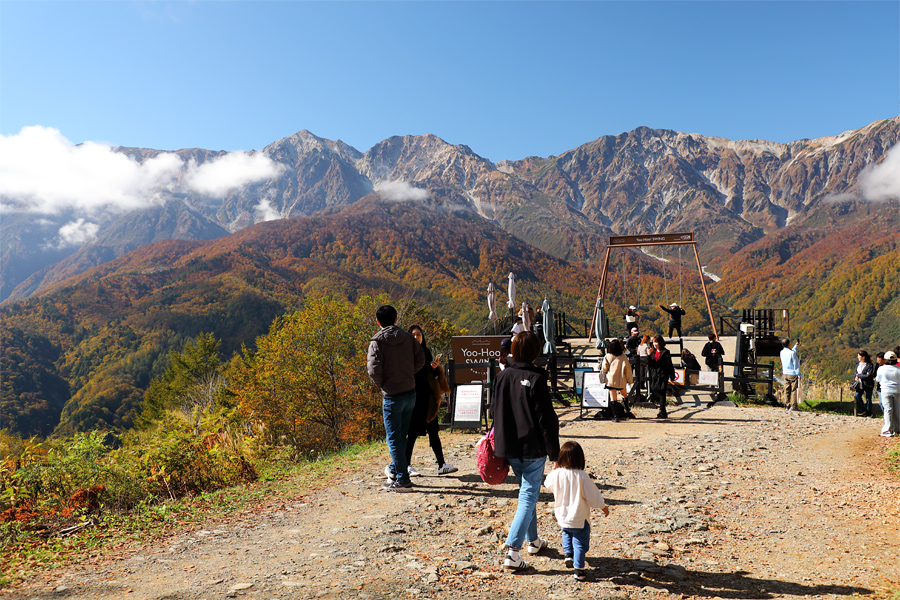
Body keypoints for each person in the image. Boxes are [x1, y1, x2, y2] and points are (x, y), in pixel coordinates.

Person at [491, 331, 560, 571]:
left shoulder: (502, 376)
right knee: (528, 496)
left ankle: (533, 541)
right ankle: (512, 551)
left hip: (508, 446)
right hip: (533, 446)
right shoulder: (536, 378)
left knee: (525, 492)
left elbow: (494, 410)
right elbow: (546, 420)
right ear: (535, 352)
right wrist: (555, 454)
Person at [367, 305, 426, 492]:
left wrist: (384, 384)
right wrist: (409, 374)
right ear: (396, 319)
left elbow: (373, 370)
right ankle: (395, 468)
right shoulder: (408, 338)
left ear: (378, 321)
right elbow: (421, 359)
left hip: (392, 396)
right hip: (410, 393)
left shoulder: (376, 342)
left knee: (393, 438)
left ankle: (402, 479)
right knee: (401, 435)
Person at [543, 441, 609, 581]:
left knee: (566, 533)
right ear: (580, 459)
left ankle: (568, 554)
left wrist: (554, 469)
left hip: (562, 515)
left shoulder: (557, 474)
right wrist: (602, 506)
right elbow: (592, 495)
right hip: (579, 517)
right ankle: (578, 569)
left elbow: (547, 483)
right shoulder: (582, 476)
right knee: (580, 543)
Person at [404, 325, 457, 476]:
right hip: (413, 398)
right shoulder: (407, 354)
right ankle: (407, 465)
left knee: (434, 431)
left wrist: (434, 368)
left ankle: (442, 464)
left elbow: (428, 375)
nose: (416, 337)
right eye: (413, 335)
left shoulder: (426, 352)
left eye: (419, 334)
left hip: (427, 398)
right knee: (412, 433)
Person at [602, 339, 633, 420]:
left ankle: (615, 416)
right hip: (621, 379)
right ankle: (626, 409)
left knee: (613, 397)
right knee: (624, 394)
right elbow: (628, 370)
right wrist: (630, 380)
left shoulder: (607, 356)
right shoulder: (623, 357)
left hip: (611, 380)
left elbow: (604, 368)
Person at [648, 335, 676, 419]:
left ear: (660, 342)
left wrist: (672, 375)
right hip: (655, 374)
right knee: (655, 390)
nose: (655, 344)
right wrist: (649, 355)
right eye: (653, 342)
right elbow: (650, 364)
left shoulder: (665, 352)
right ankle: (662, 410)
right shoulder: (653, 352)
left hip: (663, 374)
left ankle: (662, 410)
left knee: (662, 392)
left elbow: (669, 364)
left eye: (656, 342)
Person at [875, 351, 900, 437]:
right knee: (897, 410)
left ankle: (887, 429)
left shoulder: (881, 369)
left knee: (888, 410)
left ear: (885, 359)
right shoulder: (898, 369)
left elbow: (878, 379)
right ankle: (898, 429)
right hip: (897, 390)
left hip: (885, 391)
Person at [780, 338, 801, 411]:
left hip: (785, 373)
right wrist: (799, 374)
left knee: (787, 390)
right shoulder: (792, 353)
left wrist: (796, 346)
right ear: (789, 344)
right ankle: (793, 406)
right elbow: (796, 365)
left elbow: (790, 352)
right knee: (793, 390)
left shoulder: (782, 352)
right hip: (793, 373)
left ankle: (787, 405)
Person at [853, 350, 876, 417]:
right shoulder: (858, 363)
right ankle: (862, 409)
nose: (858, 357)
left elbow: (868, 376)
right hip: (859, 383)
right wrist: (856, 376)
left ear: (863, 357)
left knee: (868, 398)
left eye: (859, 356)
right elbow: (856, 372)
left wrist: (859, 375)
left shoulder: (869, 365)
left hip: (868, 384)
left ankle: (869, 412)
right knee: (857, 396)